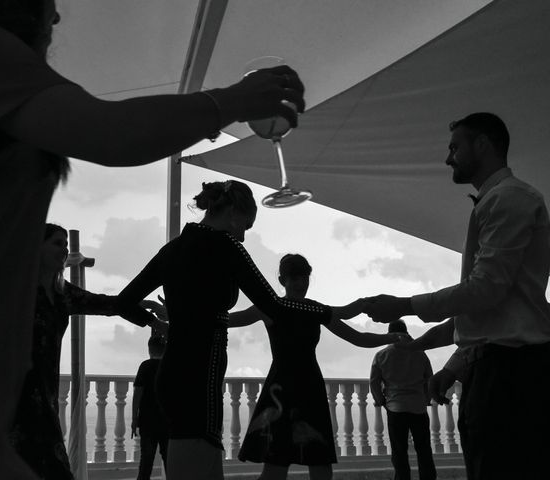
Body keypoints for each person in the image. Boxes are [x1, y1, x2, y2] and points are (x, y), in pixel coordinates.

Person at [0, 1, 305, 477]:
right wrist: (233, 101)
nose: (55, 18)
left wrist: (150, 313)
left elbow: (124, 298)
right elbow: (112, 132)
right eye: (47, 3)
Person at [116, 181, 368, 480]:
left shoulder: (171, 250)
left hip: (171, 374)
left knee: (191, 464)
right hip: (201, 376)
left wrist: (158, 325)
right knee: (198, 462)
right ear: (234, 212)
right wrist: (336, 311)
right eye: (246, 226)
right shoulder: (226, 247)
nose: (244, 236)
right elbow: (273, 305)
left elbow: (124, 302)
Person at [361, 113, 550, 480]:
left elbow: (485, 290)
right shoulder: (499, 200)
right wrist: (449, 366)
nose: (448, 158)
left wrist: (403, 305)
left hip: (508, 379)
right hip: (501, 374)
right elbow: (489, 315)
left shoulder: (508, 199)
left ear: (482, 145)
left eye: (454, 147)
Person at [230, 254, 406, 480]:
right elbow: (227, 319)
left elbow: (357, 336)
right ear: (283, 280)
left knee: (318, 463)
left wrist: (390, 337)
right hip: (290, 388)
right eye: (295, 278)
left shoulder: (306, 309)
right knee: (276, 464)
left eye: (304, 278)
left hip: (304, 387)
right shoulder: (274, 307)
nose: (301, 284)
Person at [9, 224, 165, 480]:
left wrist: (144, 312)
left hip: (45, 392)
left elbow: (106, 303)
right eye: (57, 243)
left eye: (66, 244)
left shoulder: (62, 294)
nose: (64, 249)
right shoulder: (19, 291)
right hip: (16, 389)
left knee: (52, 466)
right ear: (38, 247)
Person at [369, 320, 436, 480]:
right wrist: (426, 399)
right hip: (418, 406)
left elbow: (374, 382)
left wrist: (381, 401)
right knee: (424, 449)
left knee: (399, 451)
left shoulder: (382, 355)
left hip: (395, 407)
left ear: (389, 334)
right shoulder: (420, 353)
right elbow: (429, 378)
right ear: (406, 331)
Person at [132, 335, 169, 480]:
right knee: (170, 462)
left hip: (148, 421)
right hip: (167, 421)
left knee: (146, 463)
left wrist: (134, 419)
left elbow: (137, 394)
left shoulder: (145, 366)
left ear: (149, 349)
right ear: (164, 349)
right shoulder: (169, 366)